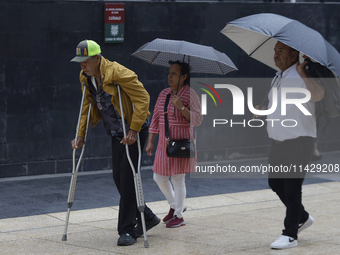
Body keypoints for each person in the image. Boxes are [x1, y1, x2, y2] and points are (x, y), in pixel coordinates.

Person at [70, 39, 160, 246]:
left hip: (133, 130)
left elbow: (143, 99)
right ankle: (147, 216)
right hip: (115, 131)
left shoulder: (118, 72)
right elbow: (87, 106)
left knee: (128, 178)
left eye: (86, 61)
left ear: (97, 58)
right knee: (118, 177)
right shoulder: (86, 77)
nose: (82, 65)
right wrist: (80, 134)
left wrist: (134, 128)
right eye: (80, 62)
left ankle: (127, 230)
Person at [255, 41, 325, 249]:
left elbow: (319, 95)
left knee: (292, 188)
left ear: (294, 55)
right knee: (275, 183)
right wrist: (263, 111)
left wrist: (303, 72)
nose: (276, 55)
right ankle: (302, 217)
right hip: (279, 141)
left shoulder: (304, 74)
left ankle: (290, 234)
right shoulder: (279, 76)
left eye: (281, 51)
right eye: (275, 51)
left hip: (299, 141)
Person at [145, 61, 203, 228]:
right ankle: (175, 205)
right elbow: (156, 118)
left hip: (182, 143)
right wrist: (150, 141)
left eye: (174, 73)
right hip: (165, 142)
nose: (170, 76)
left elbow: (198, 120)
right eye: (169, 73)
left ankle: (178, 215)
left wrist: (181, 107)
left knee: (178, 178)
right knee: (158, 176)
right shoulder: (164, 94)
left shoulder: (191, 95)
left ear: (184, 76)